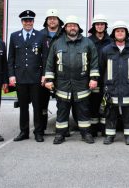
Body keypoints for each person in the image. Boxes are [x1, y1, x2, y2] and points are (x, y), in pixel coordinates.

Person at [44, 15, 99, 144]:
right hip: (62, 84)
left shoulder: (87, 43)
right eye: (69, 25)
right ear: (65, 28)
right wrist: (49, 80)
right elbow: (50, 63)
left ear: (78, 28)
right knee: (62, 110)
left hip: (82, 83)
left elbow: (94, 62)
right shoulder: (57, 43)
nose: (72, 27)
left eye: (74, 25)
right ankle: (60, 135)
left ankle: (86, 134)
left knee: (84, 111)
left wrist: (94, 78)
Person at [8, 10, 47, 142]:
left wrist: (44, 75)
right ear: (22, 22)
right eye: (26, 20)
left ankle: (38, 132)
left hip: (36, 77)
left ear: (33, 21)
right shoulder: (14, 36)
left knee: (37, 106)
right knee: (23, 107)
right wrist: (11, 75)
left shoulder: (40, 35)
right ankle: (24, 132)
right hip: (20, 77)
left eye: (30, 20)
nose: (28, 23)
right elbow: (11, 58)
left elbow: (45, 58)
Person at [101, 21, 129, 145]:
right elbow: (102, 69)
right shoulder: (106, 50)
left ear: (126, 33)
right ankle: (110, 135)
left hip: (128, 87)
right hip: (111, 87)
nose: (120, 33)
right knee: (111, 113)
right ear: (113, 34)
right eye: (117, 31)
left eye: (122, 31)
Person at [40, 9, 64, 134]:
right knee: (42, 102)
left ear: (59, 21)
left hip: (61, 74)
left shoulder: (64, 34)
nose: (52, 20)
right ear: (46, 21)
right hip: (44, 74)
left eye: (55, 18)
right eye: (50, 18)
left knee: (61, 102)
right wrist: (43, 75)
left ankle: (61, 128)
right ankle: (41, 127)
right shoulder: (40, 35)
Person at [88, 14, 111, 137]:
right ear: (94, 26)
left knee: (106, 103)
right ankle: (93, 129)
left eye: (102, 24)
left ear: (105, 26)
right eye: (98, 24)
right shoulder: (88, 41)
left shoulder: (111, 41)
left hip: (107, 77)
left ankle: (104, 128)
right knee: (93, 103)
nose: (100, 26)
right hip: (94, 78)